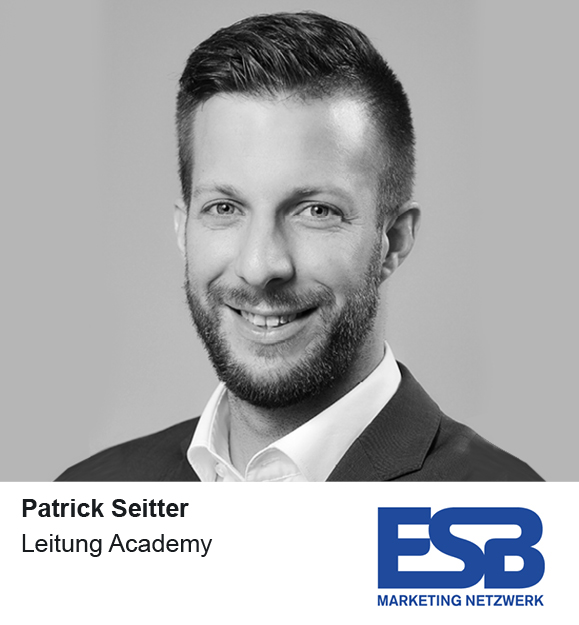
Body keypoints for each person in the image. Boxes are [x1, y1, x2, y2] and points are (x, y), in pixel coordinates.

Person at [57, 11, 541, 482]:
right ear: (184, 230)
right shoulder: (90, 496)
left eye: (317, 211)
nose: (259, 266)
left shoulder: (502, 508)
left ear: (393, 239)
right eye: (224, 208)